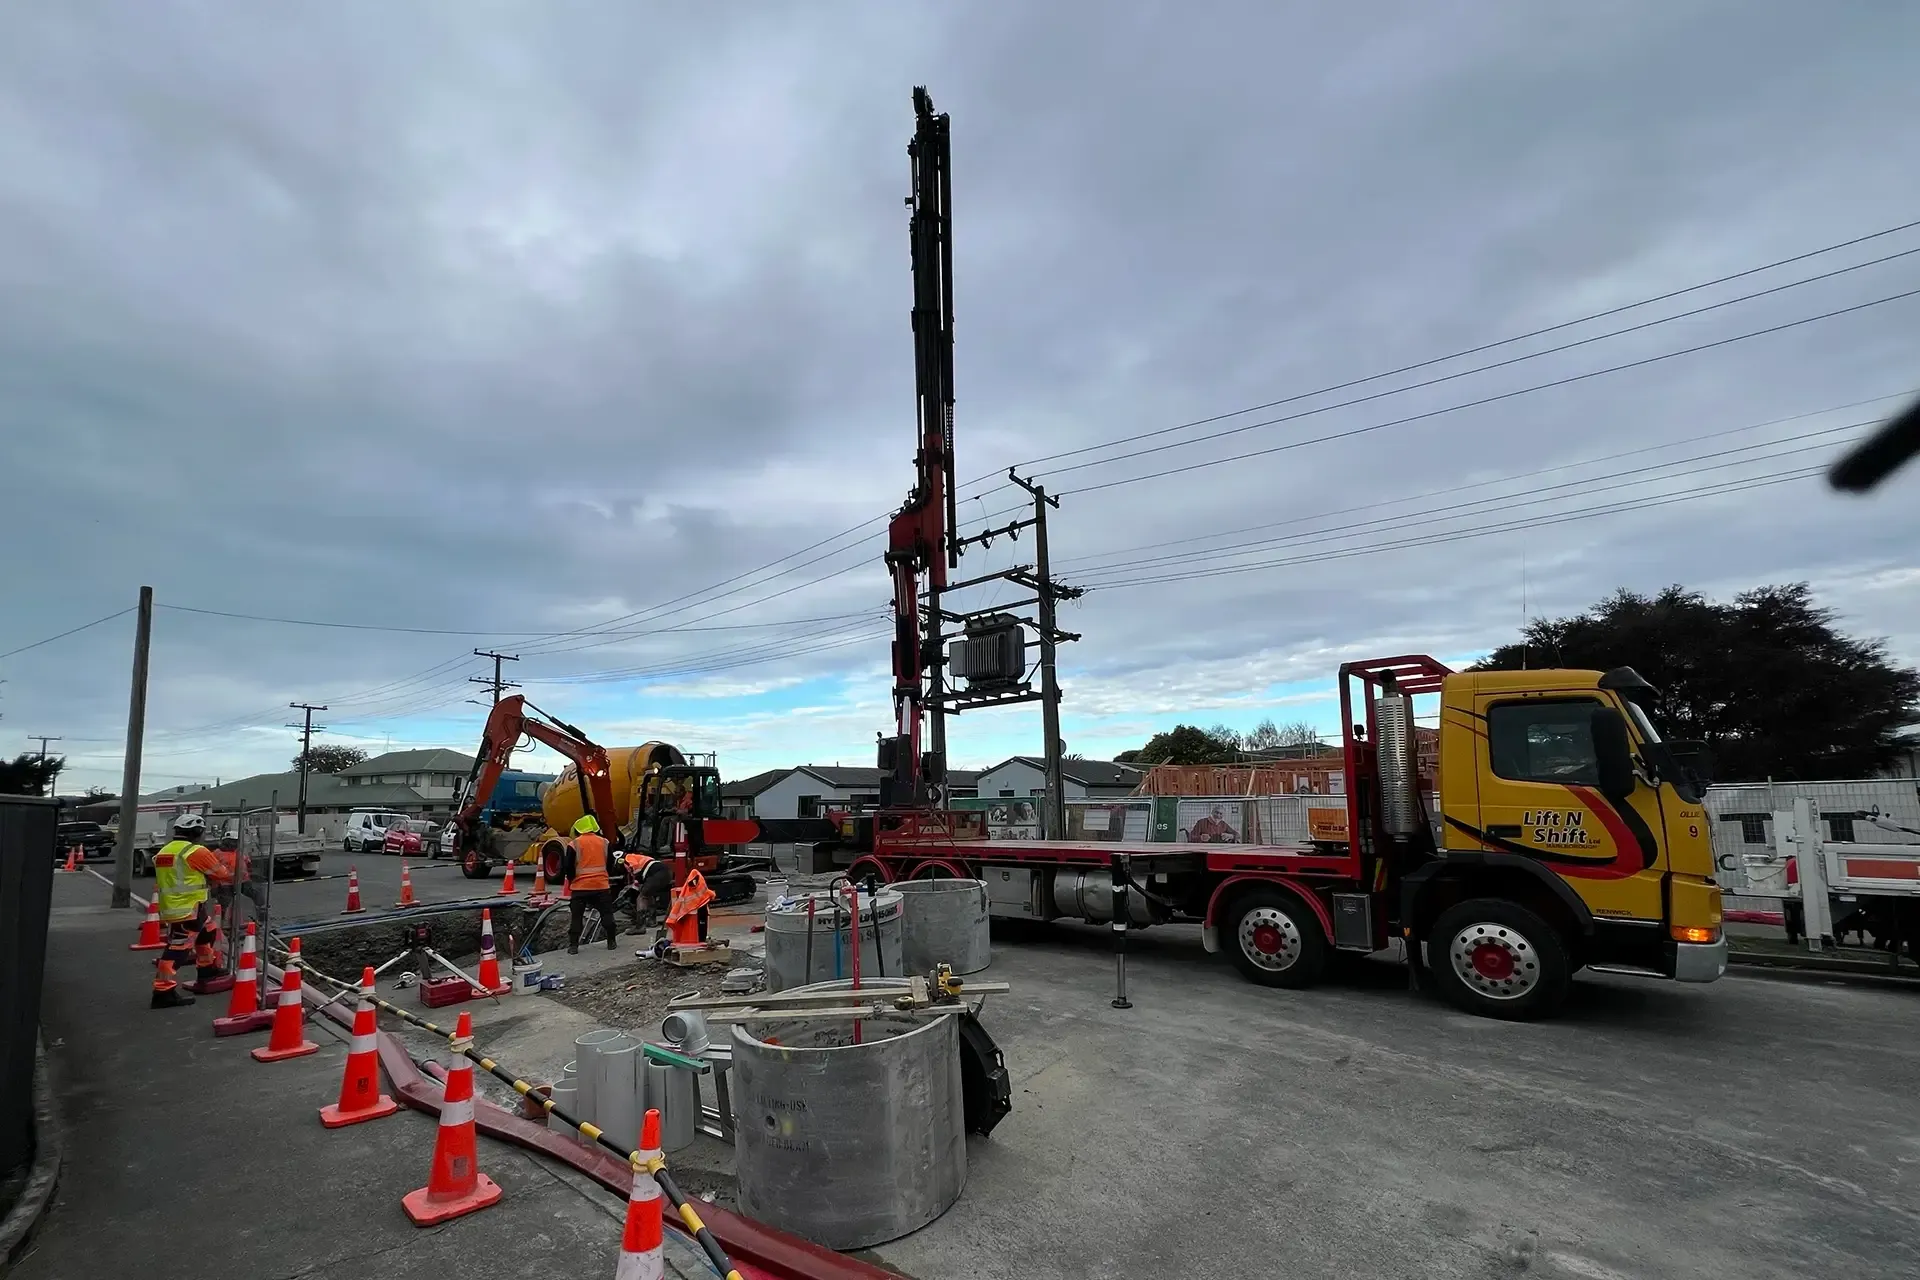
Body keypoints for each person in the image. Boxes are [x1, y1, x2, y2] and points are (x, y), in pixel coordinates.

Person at [150, 814, 233, 1009]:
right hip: (187, 910)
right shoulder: (195, 851)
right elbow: (221, 873)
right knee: (176, 952)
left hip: (179, 907)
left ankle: (207, 969)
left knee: (208, 931)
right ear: (196, 832)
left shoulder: (165, 850)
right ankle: (162, 990)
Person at [562, 814, 618, 954]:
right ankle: (611, 941)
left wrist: (572, 880)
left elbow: (568, 866)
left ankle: (573, 946)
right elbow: (611, 864)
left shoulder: (574, 844)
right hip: (601, 886)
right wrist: (604, 876)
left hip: (580, 887)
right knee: (607, 915)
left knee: (577, 917)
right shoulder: (604, 842)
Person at [620, 849, 672, 935]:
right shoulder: (637, 857)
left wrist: (635, 879)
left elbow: (635, 867)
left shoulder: (628, 858)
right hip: (665, 872)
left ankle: (640, 926)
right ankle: (652, 921)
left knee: (642, 897)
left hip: (658, 873)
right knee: (648, 894)